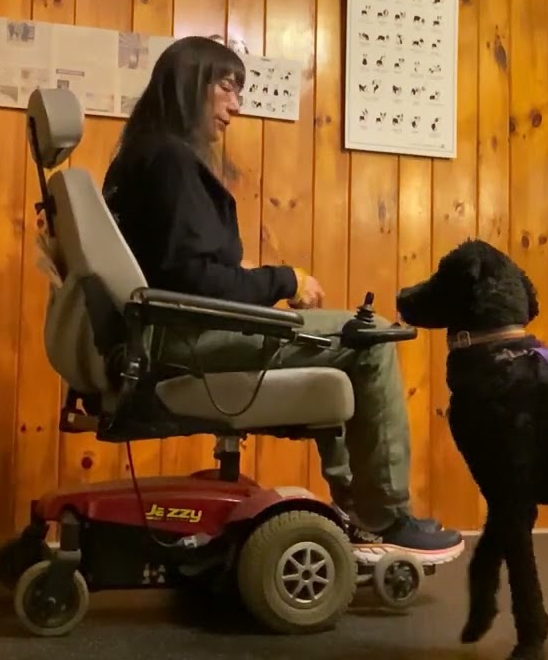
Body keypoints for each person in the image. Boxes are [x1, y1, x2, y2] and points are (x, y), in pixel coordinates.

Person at [101, 36, 464, 563]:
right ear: (188, 83)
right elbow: (196, 282)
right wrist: (283, 279)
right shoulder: (171, 162)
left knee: (339, 337)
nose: (236, 104)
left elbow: (176, 270)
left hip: (166, 333)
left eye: (240, 90)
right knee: (371, 338)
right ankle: (383, 516)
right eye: (226, 86)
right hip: (183, 342)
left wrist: (249, 275)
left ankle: (357, 513)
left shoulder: (144, 156)